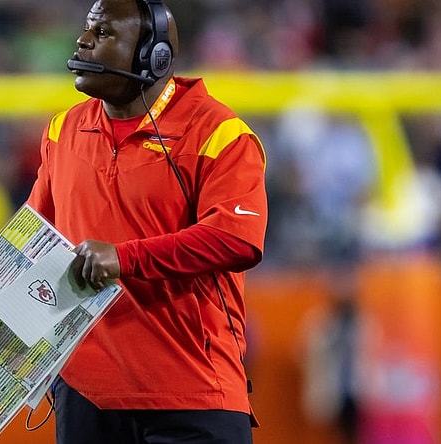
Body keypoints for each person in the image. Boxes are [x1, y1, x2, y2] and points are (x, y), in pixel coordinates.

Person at [25, 0, 268, 442]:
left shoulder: (219, 133)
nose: (83, 41)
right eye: (86, 29)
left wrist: (124, 258)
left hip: (193, 390)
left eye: (102, 33)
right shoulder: (62, 130)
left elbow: (236, 239)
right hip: (86, 393)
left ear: (152, 55)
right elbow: (32, 243)